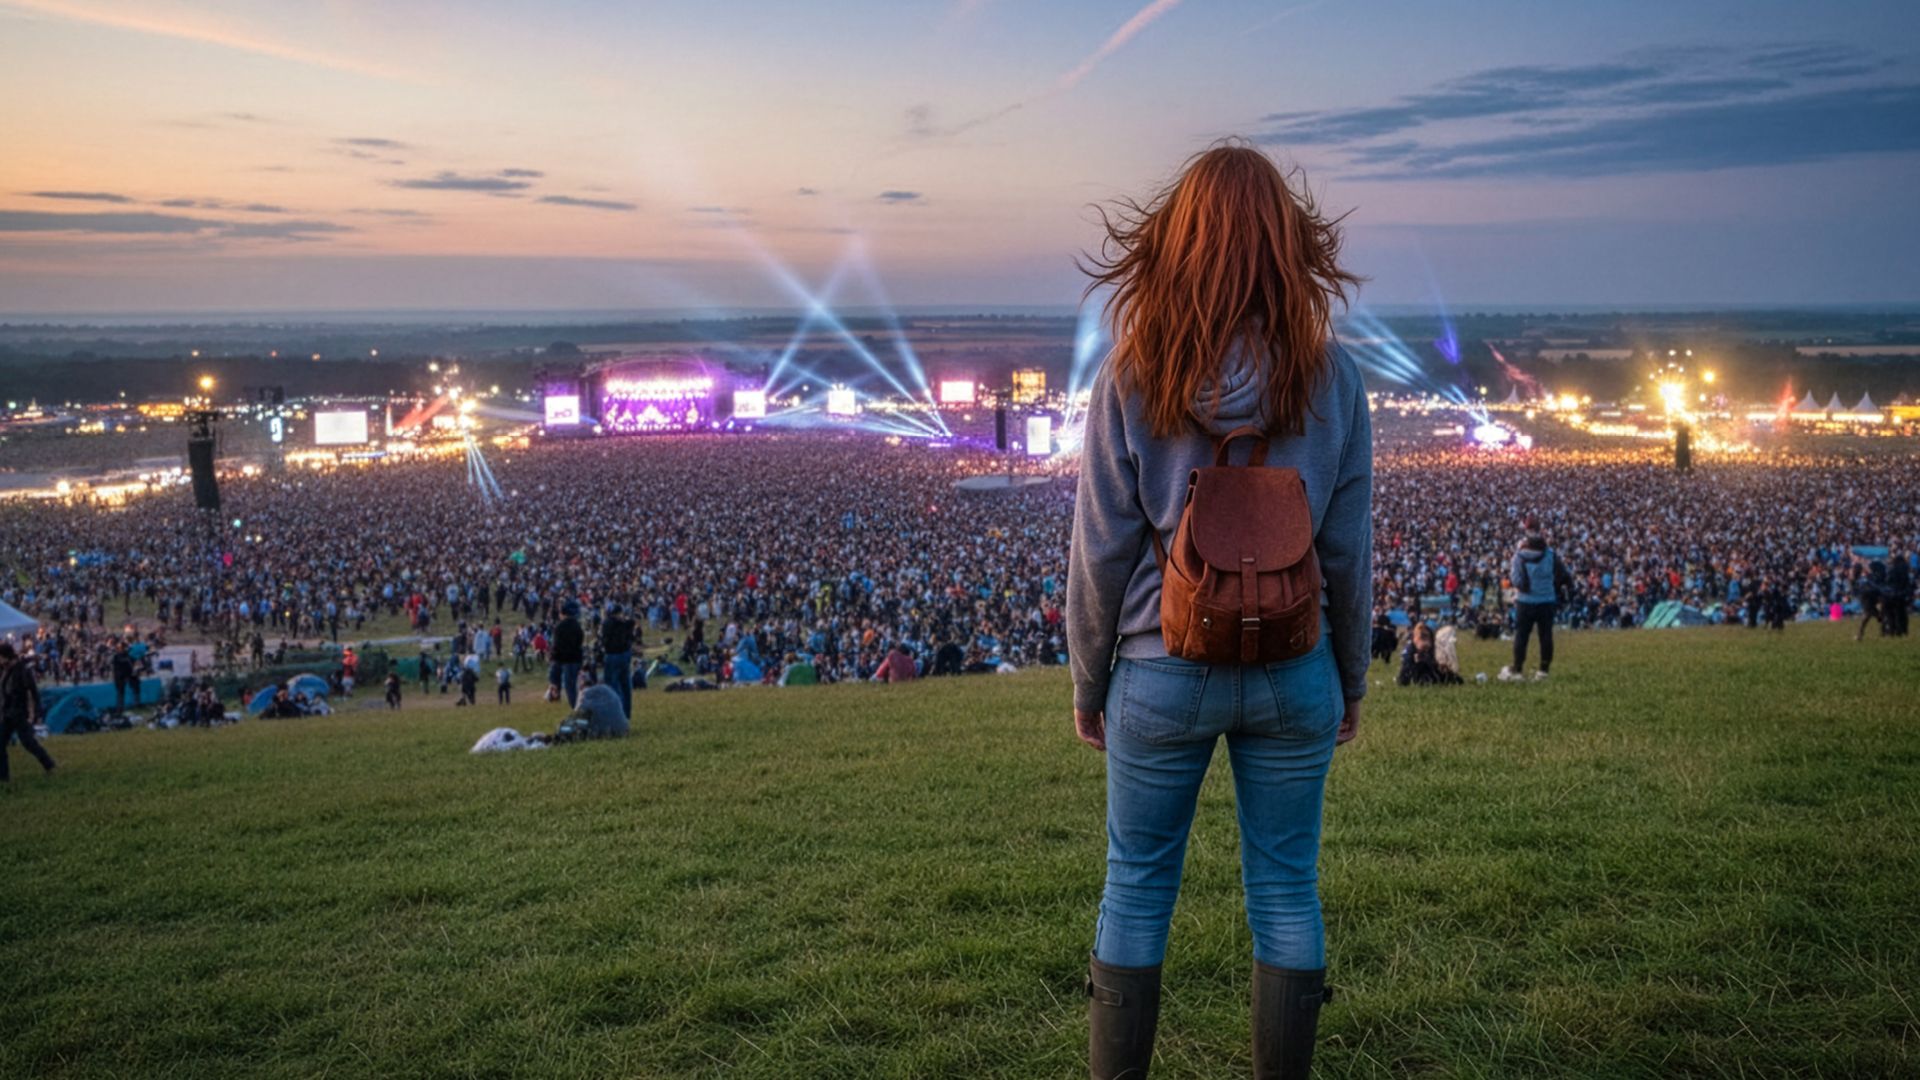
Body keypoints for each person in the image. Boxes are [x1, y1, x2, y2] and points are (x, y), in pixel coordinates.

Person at [1067, 143, 1368, 1079]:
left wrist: (1090, 683)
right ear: (1290, 247)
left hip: (1160, 666)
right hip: (1294, 668)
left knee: (1137, 887)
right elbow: (1348, 554)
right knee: (1287, 889)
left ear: (1177, 243)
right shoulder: (1335, 377)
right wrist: (1349, 681)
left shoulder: (1133, 371)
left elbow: (1102, 549)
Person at [1500, 522, 1573, 682]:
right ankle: (1543, 671)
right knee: (1546, 636)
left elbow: (1516, 580)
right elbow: (1563, 575)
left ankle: (1517, 671)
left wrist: (1526, 586)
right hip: (1547, 600)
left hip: (1525, 601)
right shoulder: (1550, 555)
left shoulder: (1519, 557)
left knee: (1521, 636)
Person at [1, 641, 58, 783]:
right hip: (8, 713)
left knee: (28, 742)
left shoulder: (22, 670)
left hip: (19, 712)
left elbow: (31, 692)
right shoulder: (5, 670)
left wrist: (33, 713)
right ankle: (3, 777)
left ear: (6, 656)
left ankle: (49, 764)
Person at [599, 602, 636, 720]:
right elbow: (631, 624)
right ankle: (626, 714)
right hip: (625, 654)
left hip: (612, 655)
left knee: (613, 685)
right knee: (625, 685)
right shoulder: (626, 624)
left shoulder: (607, 623)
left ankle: (617, 713)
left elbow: (604, 637)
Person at [551, 601, 585, 708]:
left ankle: (575, 707)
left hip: (566, 659)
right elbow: (580, 639)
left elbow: (557, 645)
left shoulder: (560, 627)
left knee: (570, 686)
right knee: (575, 684)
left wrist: (555, 657)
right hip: (577, 658)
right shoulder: (577, 625)